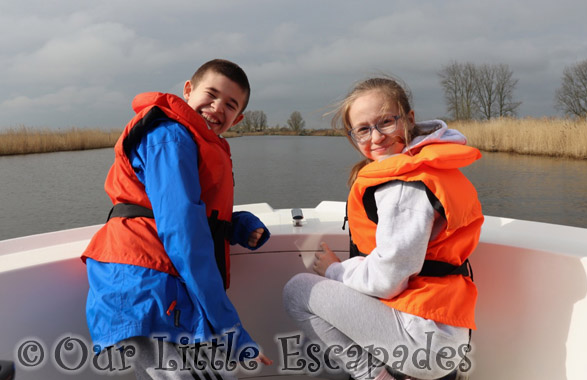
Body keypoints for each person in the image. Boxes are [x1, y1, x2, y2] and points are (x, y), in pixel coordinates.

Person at [82, 59, 272, 379]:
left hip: (156, 278)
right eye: (210, 94)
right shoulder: (170, 137)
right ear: (188, 90)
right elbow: (182, 231)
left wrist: (235, 225)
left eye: (229, 104)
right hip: (144, 286)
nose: (216, 107)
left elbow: (182, 211)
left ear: (238, 118)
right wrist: (231, 329)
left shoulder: (188, 138)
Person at [283, 76, 483, 380]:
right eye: (363, 129)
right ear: (353, 135)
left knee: (297, 291)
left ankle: (373, 377)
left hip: (424, 341)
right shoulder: (424, 167)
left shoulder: (405, 186)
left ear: (409, 119)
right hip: (442, 329)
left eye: (386, 122)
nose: (376, 137)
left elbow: (388, 280)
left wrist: (334, 270)